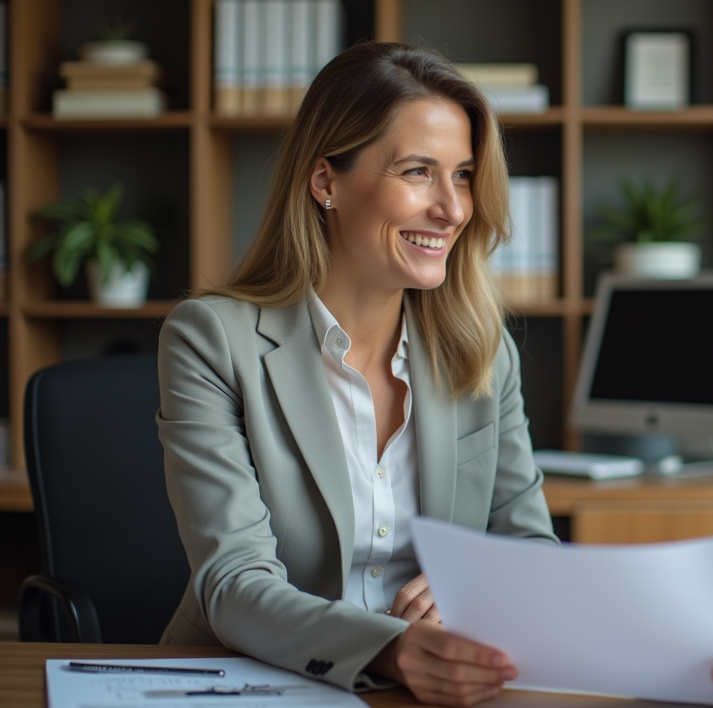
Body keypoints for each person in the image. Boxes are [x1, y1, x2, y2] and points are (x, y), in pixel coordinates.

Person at [157, 42, 557, 704]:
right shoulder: (212, 340)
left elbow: (532, 550)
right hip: (257, 683)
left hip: (438, 690)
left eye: (461, 175)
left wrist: (482, 588)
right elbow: (235, 582)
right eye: (417, 172)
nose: (453, 209)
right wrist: (392, 649)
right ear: (326, 182)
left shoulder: (481, 352)